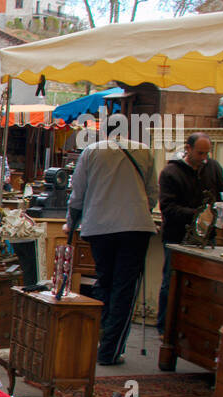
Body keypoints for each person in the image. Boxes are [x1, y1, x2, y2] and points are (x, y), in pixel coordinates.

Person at [67, 132, 157, 366]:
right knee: (124, 289)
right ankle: (110, 349)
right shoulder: (144, 150)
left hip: (99, 226)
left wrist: (72, 222)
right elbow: (152, 193)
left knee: (104, 282)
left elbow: (78, 193)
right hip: (135, 227)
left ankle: (99, 340)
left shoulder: (91, 151)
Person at [157, 132, 223, 333]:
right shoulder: (171, 172)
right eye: (200, 153)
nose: (204, 158)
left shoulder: (213, 167)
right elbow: (168, 208)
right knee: (171, 283)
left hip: (207, 236)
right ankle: (165, 328)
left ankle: (194, 327)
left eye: (207, 153)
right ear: (188, 149)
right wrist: (198, 214)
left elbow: (222, 192)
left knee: (202, 285)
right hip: (177, 236)